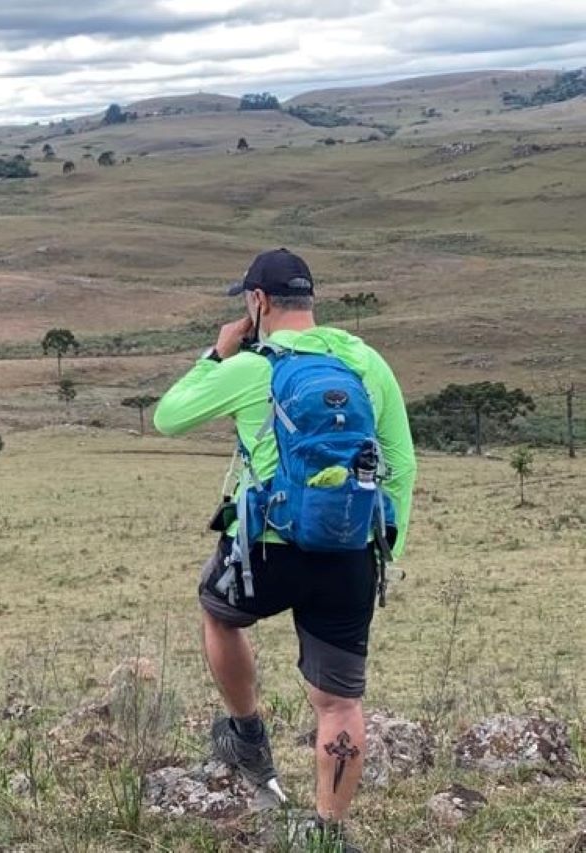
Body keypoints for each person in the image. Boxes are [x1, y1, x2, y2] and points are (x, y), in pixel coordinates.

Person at [153, 248, 416, 848]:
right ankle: (326, 832)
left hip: (266, 552)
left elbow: (168, 417)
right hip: (350, 552)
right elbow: (401, 464)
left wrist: (215, 355)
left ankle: (247, 730)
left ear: (258, 303)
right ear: (311, 301)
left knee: (217, 613)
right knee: (339, 703)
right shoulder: (366, 362)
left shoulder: (254, 367)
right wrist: (382, 546)